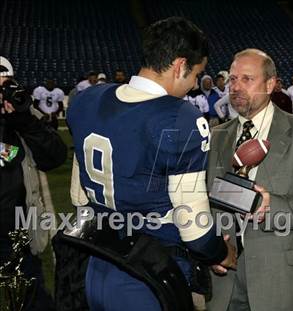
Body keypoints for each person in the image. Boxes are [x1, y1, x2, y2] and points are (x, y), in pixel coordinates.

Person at [66, 17, 236, 311]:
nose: (195, 82)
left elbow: (78, 195)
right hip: (150, 274)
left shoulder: (87, 99)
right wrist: (220, 252)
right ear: (180, 65)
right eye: (196, 73)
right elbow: (193, 227)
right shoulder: (179, 118)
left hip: (97, 264)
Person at [207, 49, 293, 311]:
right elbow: (209, 197)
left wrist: (273, 207)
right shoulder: (217, 136)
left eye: (247, 79)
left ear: (270, 84)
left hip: (282, 280)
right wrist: (210, 249)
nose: (235, 87)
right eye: (233, 79)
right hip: (225, 279)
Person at [0, 56, 67, 310]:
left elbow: (54, 157)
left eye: (6, 86)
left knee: (31, 299)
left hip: (16, 231)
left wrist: (24, 120)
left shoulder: (23, 115)